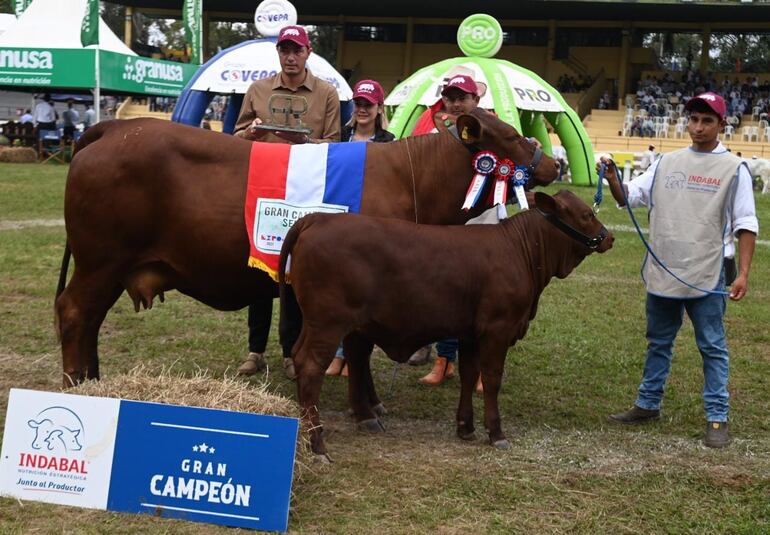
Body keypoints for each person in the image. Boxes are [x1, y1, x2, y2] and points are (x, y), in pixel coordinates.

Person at [603, 92, 758, 448]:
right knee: (658, 341)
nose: (698, 127)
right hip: (663, 268)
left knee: (712, 345)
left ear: (722, 124)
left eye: (707, 121)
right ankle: (648, 403)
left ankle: (717, 417)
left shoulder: (734, 169)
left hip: (708, 271)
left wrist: (743, 273)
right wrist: (612, 177)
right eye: (693, 120)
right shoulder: (666, 163)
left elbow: (746, 224)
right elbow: (627, 197)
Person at [233, 24, 341, 379]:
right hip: (262, 187)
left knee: (295, 272)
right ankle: (255, 349)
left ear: (308, 53)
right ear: (278, 53)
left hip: (303, 190)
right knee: (259, 267)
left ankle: (290, 352)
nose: (291, 57)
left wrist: (303, 143)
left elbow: (334, 144)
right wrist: (252, 132)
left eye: (297, 50)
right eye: (285, 50)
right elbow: (236, 136)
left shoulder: (326, 93)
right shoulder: (258, 89)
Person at [325, 79, 395, 376]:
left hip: (371, 226)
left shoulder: (389, 142)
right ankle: (337, 353)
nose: (363, 109)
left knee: (363, 294)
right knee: (337, 291)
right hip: (340, 222)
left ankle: (353, 357)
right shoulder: (340, 136)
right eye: (359, 103)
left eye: (369, 104)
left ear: (379, 108)